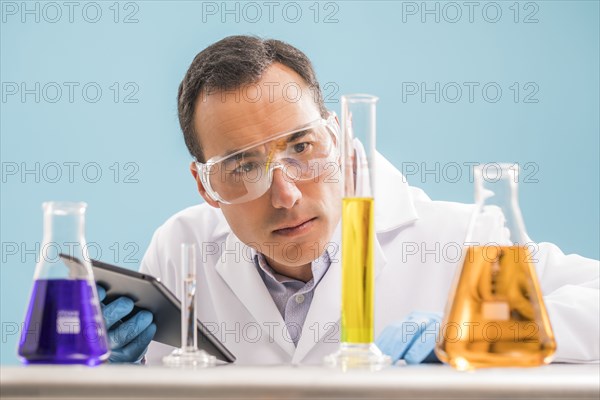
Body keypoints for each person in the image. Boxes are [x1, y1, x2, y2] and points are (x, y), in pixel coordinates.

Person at [100, 35, 599, 365]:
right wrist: (105, 378)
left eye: (301, 146)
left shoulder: (461, 239)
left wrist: (474, 329)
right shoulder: (179, 251)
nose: (286, 194)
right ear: (204, 184)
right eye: (243, 167)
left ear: (335, 137)